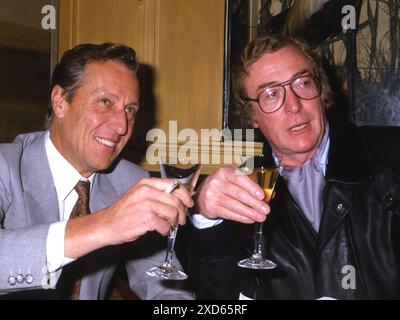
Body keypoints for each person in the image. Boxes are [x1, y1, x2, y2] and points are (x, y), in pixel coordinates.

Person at [186, 35, 400, 300]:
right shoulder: (242, 189)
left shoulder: (391, 157)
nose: (294, 106)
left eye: (304, 83)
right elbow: (218, 299)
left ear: (322, 91)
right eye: (272, 93)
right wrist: (207, 220)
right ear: (253, 117)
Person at [0, 43, 195, 300]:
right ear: (60, 102)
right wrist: (104, 225)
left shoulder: (131, 181)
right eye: (105, 102)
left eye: (130, 110)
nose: (122, 125)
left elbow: (162, 282)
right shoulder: (6, 165)